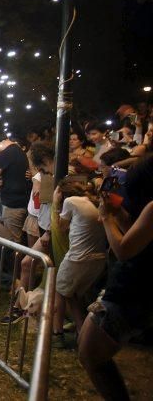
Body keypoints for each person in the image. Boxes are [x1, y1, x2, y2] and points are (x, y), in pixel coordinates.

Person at [79, 155, 153, 400]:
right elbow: (134, 230)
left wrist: (108, 217)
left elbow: (124, 249)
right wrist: (115, 211)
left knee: (90, 351)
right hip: (135, 285)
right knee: (90, 352)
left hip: (133, 287)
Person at [54, 178, 106, 337]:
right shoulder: (92, 202)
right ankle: (81, 330)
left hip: (77, 258)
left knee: (59, 293)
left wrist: (56, 204)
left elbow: (61, 228)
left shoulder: (71, 201)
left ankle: (56, 334)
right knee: (73, 294)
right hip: (98, 259)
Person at [0, 131, 31, 243]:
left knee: (12, 241)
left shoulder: (5, 153)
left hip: (13, 205)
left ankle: (14, 261)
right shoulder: (19, 151)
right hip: (22, 201)